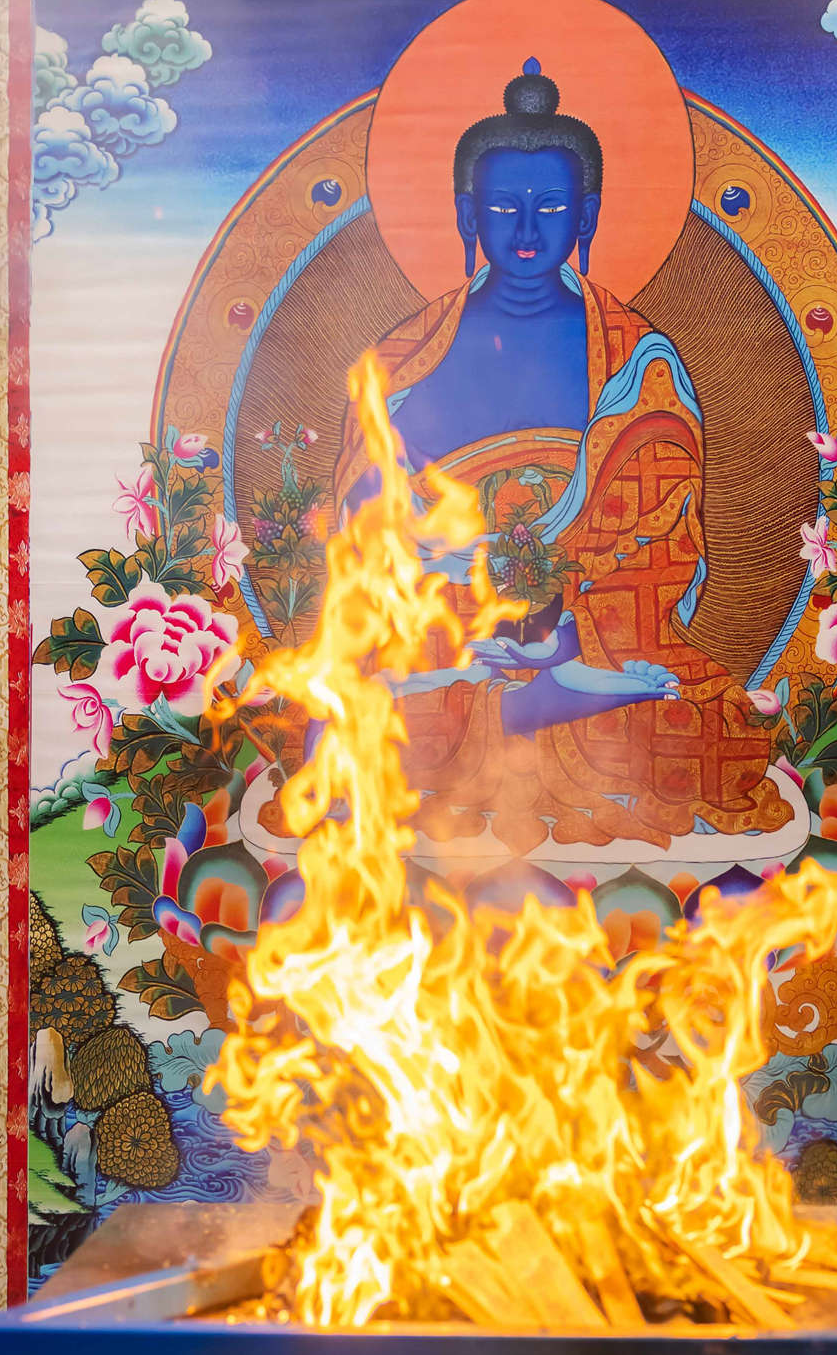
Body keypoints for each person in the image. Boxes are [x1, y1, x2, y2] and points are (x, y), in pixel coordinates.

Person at [333, 61, 789, 855]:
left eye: (550, 208)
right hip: (447, 620)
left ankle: (535, 697)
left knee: (690, 711)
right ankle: (519, 702)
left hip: (589, 622)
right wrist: (446, 558)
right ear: (466, 213)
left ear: (587, 213)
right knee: (352, 710)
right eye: (502, 208)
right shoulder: (401, 363)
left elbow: (662, 534)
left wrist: (559, 584)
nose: (526, 230)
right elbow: (366, 518)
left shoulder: (637, 363)